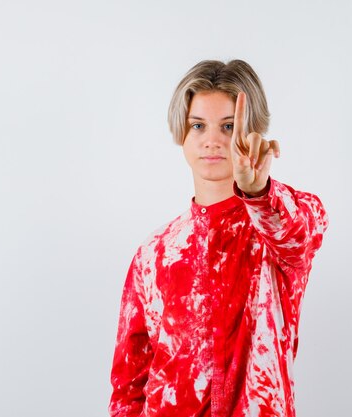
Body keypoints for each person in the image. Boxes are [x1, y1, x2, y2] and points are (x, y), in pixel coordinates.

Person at [108, 59, 328, 417]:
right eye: (198, 125)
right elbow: (129, 385)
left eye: (228, 126)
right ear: (182, 133)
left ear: (252, 133)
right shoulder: (155, 254)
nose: (212, 140)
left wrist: (257, 190)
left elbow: (302, 231)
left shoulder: (275, 229)